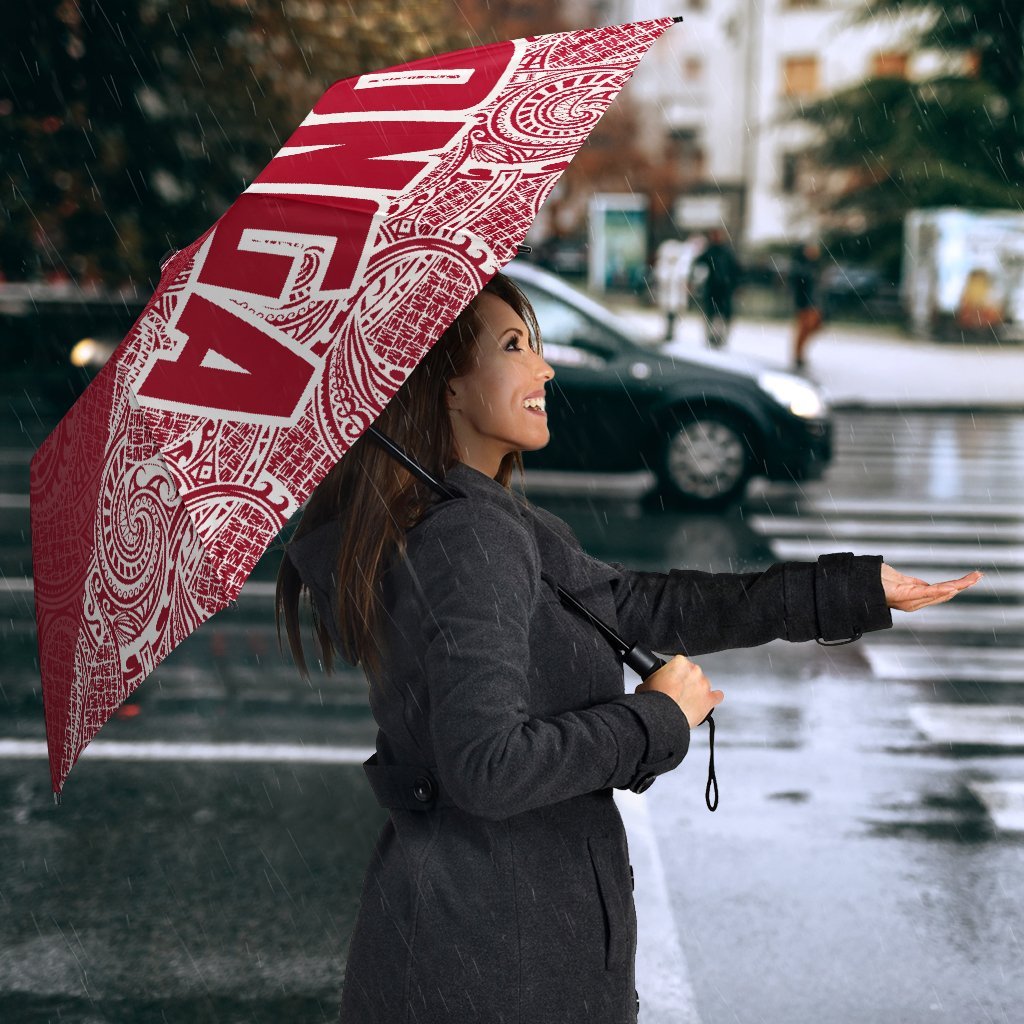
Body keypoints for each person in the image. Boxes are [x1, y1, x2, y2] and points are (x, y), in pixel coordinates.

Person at [276, 272, 982, 1024]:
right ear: (446, 387)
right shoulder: (469, 537)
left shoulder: (481, 521)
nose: (544, 368)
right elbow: (487, 767)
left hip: (482, 943)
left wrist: (847, 590)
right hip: (496, 962)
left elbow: (644, 606)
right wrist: (654, 719)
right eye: (514, 346)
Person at [691, 227, 742, 349]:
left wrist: (736, 285)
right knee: (711, 313)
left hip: (724, 289)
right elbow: (698, 264)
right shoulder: (710, 251)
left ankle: (720, 337)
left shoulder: (727, 252)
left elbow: (736, 270)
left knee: (722, 314)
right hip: (713, 288)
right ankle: (711, 336)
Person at [790, 240, 824, 370]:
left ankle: (800, 354)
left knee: (814, 326)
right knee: (804, 329)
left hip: (814, 302)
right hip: (805, 302)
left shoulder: (814, 266)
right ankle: (798, 355)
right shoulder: (800, 266)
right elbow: (799, 285)